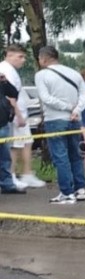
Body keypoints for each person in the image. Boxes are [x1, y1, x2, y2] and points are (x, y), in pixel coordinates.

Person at [33, 46, 85, 204]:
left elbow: (46, 98)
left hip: (55, 119)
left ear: (44, 58)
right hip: (75, 120)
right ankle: (80, 188)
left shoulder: (41, 75)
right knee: (75, 154)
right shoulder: (74, 73)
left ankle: (66, 192)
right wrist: (76, 110)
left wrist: (67, 107)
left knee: (60, 156)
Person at [0, 45, 46, 189]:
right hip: (12, 115)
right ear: (9, 55)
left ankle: (25, 173)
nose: (23, 60)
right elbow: (10, 96)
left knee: (25, 142)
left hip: (18, 113)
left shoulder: (11, 71)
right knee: (13, 146)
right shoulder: (6, 69)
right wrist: (18, 115)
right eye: (20, 57)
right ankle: (11, 175)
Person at [0, 73, 26, 194]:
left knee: (5, 157)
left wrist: (5, 81)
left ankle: (7, 184)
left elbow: (14, 94)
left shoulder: (2, 82)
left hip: (3, 123)